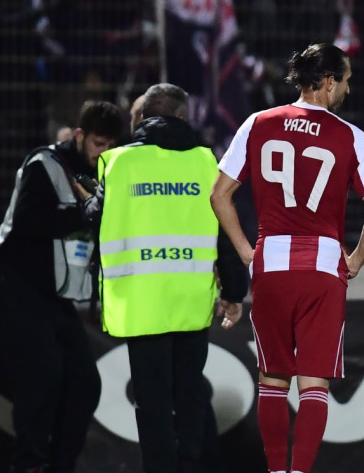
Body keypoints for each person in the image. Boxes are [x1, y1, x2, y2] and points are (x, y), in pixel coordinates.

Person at [210, 44, 364, 473]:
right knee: (314, 383)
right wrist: (356, 259)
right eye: (345, 81)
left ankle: (276, 470)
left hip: (270, 263)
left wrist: (246, 252)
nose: (347, 89)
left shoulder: (258, 123)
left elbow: (219, 195)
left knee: (272, 379)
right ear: (328, 82)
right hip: (322, 267)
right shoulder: (350, 136)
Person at [89, 84, 247, 473]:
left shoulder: (120, 162)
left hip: (142, 303)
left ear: (143, 116)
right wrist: (233, 291)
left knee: (153, 400)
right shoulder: (205, 163)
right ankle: (189, 465)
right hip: (190, 300)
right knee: (190, 392)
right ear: (181, 116)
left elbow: (96, 219)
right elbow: (223, 233)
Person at [0, 100, 126, 473]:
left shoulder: (106, 174)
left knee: (85, 383)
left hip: (52, 293)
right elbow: (27, 224)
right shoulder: (45, 164)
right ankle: (29, 464)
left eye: (111, 146)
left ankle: (61, 465)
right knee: (43, 376)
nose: (104, 152)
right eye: (98, 143)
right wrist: (82, 214)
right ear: (80, 135)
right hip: (14, 283)